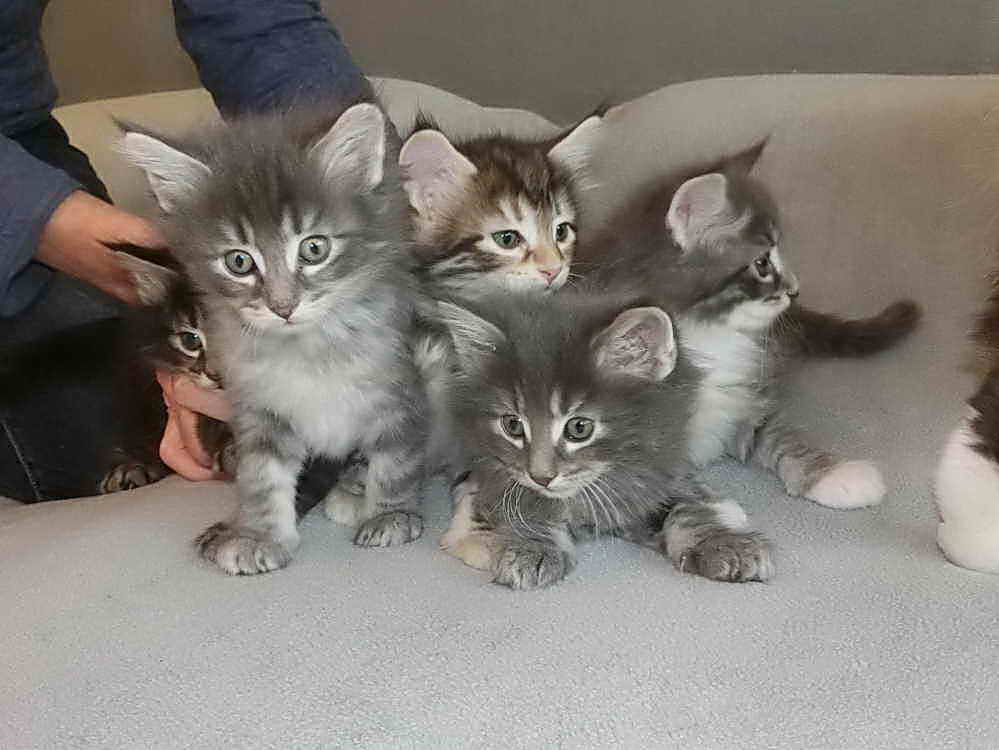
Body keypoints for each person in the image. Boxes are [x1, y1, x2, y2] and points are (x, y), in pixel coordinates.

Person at [0, 0, 369, 501]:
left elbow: (260, 21)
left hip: (28, 143)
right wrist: (51, 222)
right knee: (107, 436)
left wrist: (359, 185)